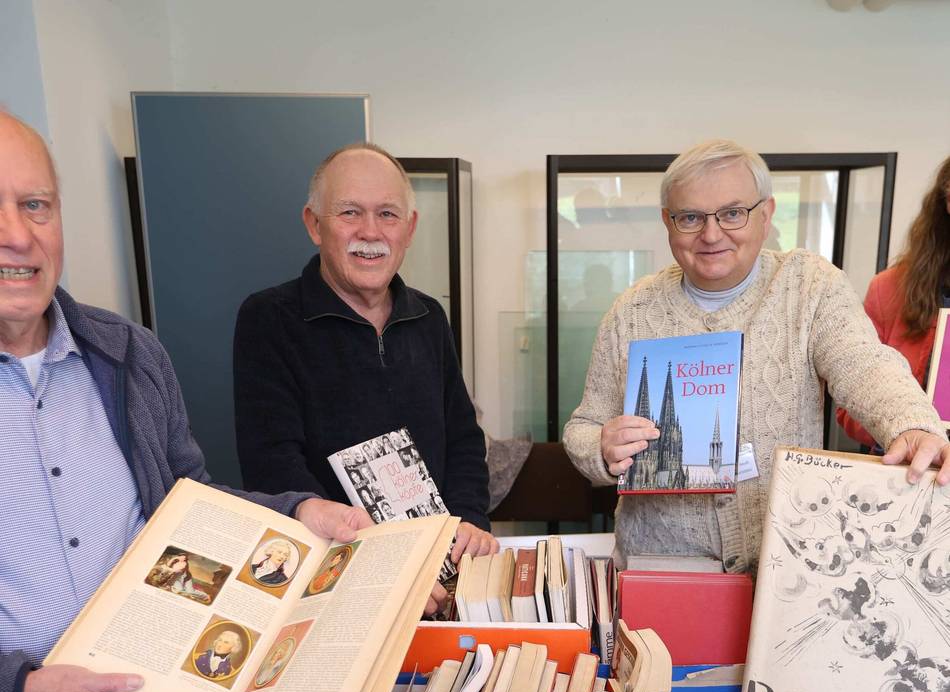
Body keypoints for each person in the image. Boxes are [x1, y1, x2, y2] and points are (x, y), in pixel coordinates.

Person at [0, 111, 373, 692]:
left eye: (36, 205)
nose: (16, 238)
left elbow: (189, 505)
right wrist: (24, 690)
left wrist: (293, 512)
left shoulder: (128, 355)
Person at [563, 139, 950, 575]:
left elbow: (864, 365)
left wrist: (911, 422)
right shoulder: (630, 314)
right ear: (667, 223)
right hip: (664, 567)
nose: (711, 234)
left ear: (765, 215)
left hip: (786, 564)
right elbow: (583, 427)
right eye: (690, 217)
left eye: (732, 213)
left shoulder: (807, 285)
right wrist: (601, 447)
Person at [233, 143, 499, 572]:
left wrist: (468, 520)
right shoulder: (269, 319)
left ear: (409, 228)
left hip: (437, 561)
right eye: (350, 212)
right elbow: (272, 463)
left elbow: (463, 438)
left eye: (387, 214)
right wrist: (367, 562)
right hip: (337, 565)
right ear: (314, 224)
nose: (371, 232)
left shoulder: (430, 316)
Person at [837, 155, 950, 448]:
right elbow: (849, 407)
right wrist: (902, 427)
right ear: (946, 206)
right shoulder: (889, 290)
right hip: (906, 474)